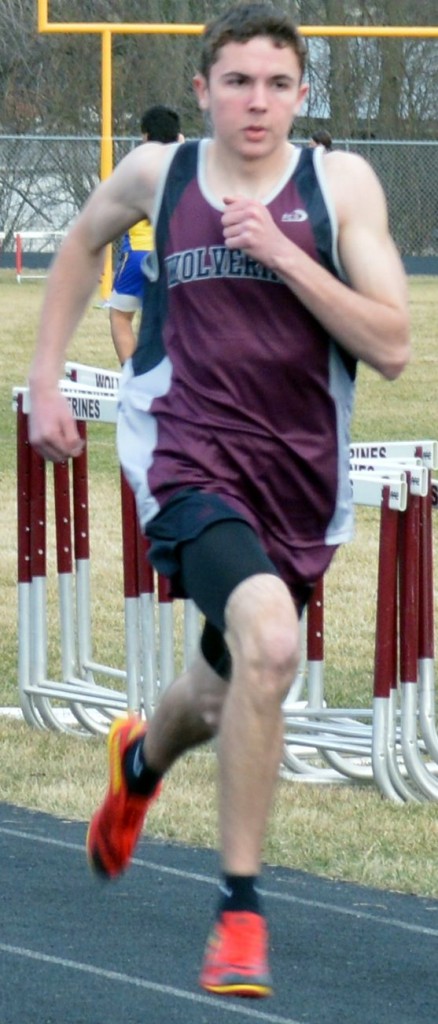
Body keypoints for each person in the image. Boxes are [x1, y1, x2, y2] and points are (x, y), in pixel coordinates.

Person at [28, 1, 410, 1001]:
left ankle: (140, 761)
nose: (257, 102)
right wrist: (47, 378)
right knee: (272, 644)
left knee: (221, 684)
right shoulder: (166, 175)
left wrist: (283, 255)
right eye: (236, 81)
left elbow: (393, 345)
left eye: (277, 84)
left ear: (301, 94)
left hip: (299, 479)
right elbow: (79, 245)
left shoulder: (340, 188)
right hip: (185, 455)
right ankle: (239, 909)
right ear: (203, 90)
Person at [109, 104, 183, 364]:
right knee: (170, 322)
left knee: (120, 317)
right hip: (173, 255)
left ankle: (131, 377)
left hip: (138, 252)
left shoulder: (137, 165)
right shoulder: (186, 165)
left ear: (145, 136)